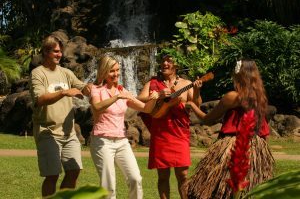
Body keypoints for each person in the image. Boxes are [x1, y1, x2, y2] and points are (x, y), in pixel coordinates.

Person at [184, 59, 275, 199]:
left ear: (239, 75)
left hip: (235, 147)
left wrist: (192, 105)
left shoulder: (233, 96)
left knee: (214, 191)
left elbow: (208, 119)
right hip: (257, 147)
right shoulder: (259, 97)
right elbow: (264, 128)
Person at [29, 35, 92, 197]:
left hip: (69, 132)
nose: (59, 55)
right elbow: (40, 99)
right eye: (55, 51)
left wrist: (90, 88)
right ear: (45, 51)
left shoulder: (66, 73)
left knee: (74, 171)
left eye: (60, 52)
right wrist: (64, 92)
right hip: (47, 132)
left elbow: (82, 86)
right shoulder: (38, 74)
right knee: (52, 175)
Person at [89, 55, 158, 199]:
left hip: (121, 141)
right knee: (109, 186)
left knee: (135, 179)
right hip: (102, 141)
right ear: (103, 72)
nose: (116, 74)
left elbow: (146, 109)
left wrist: (154, 98)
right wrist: (116, 97)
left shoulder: (123, 90)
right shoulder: (96, 89)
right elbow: (96, 107)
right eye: (112, 71)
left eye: (117, 70)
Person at [137, 53, 202, 199]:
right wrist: (157, 95)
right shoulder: (153, 82)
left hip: (179, 133)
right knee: (163, 176)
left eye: (169, 61)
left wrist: (197, 90)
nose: (165, 64)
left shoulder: (186, 84)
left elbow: (196, 104)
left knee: (183, 175)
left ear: (176, 65)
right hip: (160, 133)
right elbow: (139, 99)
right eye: (163, 61)